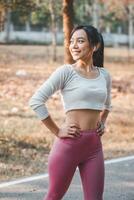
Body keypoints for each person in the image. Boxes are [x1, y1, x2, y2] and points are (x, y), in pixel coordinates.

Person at [29, 25, 112, 200]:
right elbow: (36, 101)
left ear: (95, 46)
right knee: (54, 196)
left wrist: (102, 121)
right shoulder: (66, 72)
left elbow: (107, 105)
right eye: (71, 41)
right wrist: (57, 131)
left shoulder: (104, 75)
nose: (74, 45)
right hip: (69, 144)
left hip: (94, 147)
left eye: (80, 41)